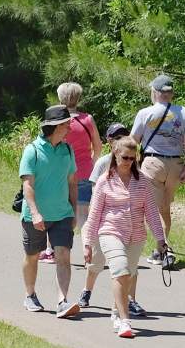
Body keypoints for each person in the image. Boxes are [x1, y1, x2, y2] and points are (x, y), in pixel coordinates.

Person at [80, 136, 166, 337]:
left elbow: (152, 211)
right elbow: (94, 214)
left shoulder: (142, 181)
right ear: (115, 156)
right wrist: (87, 243)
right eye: (125, 157)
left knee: (128, 275)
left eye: (132, 158)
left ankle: (117, 314)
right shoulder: (104, 181)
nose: (128, 162)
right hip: (110, 231)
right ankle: (126, 321)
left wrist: (160, 239)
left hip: (136, 235)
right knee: (120, 270)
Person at [18, 105, 79, 318]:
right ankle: (30, 295)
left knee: (63, 254)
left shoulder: (67, 150)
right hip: (34, 216)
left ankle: (63, 301)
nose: (70, 128)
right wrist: (35, 213)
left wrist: (74, 211)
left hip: (62, 214)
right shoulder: (32, 151)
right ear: (53, 127)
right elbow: (28, 185)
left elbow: (72, 182)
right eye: (66, 125)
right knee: (32, 256)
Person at [132, 74, 185, 266]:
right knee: (164, 208)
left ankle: (165, 249)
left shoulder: (145, 113)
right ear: (171, 93)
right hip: (175, 164)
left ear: (156, 92)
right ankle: (160, 250)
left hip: (152, 163)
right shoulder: (183, 112)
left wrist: (131, 164)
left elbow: (133, 140)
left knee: (153, 209)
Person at [75, 122, 128, 308]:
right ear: (109, 141)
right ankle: (87, 290)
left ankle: (128, 301)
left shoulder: (132, 161)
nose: (120, 141)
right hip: (103, 220)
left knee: (126, 266)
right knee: (96, 262)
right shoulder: (102, 163)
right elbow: (95, 195)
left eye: (123, 136)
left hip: (124, 222)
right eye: (116, 138)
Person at [48, 82, 100, 267]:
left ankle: (52, 250)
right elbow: (98, 146)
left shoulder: (58, 121)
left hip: (62, 173)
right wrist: (91, 164)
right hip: (85, 172)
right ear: (78, 98)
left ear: (61, 98)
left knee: (57, 212)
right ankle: (89, 253)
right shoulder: (88, 119)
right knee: (83, 215)